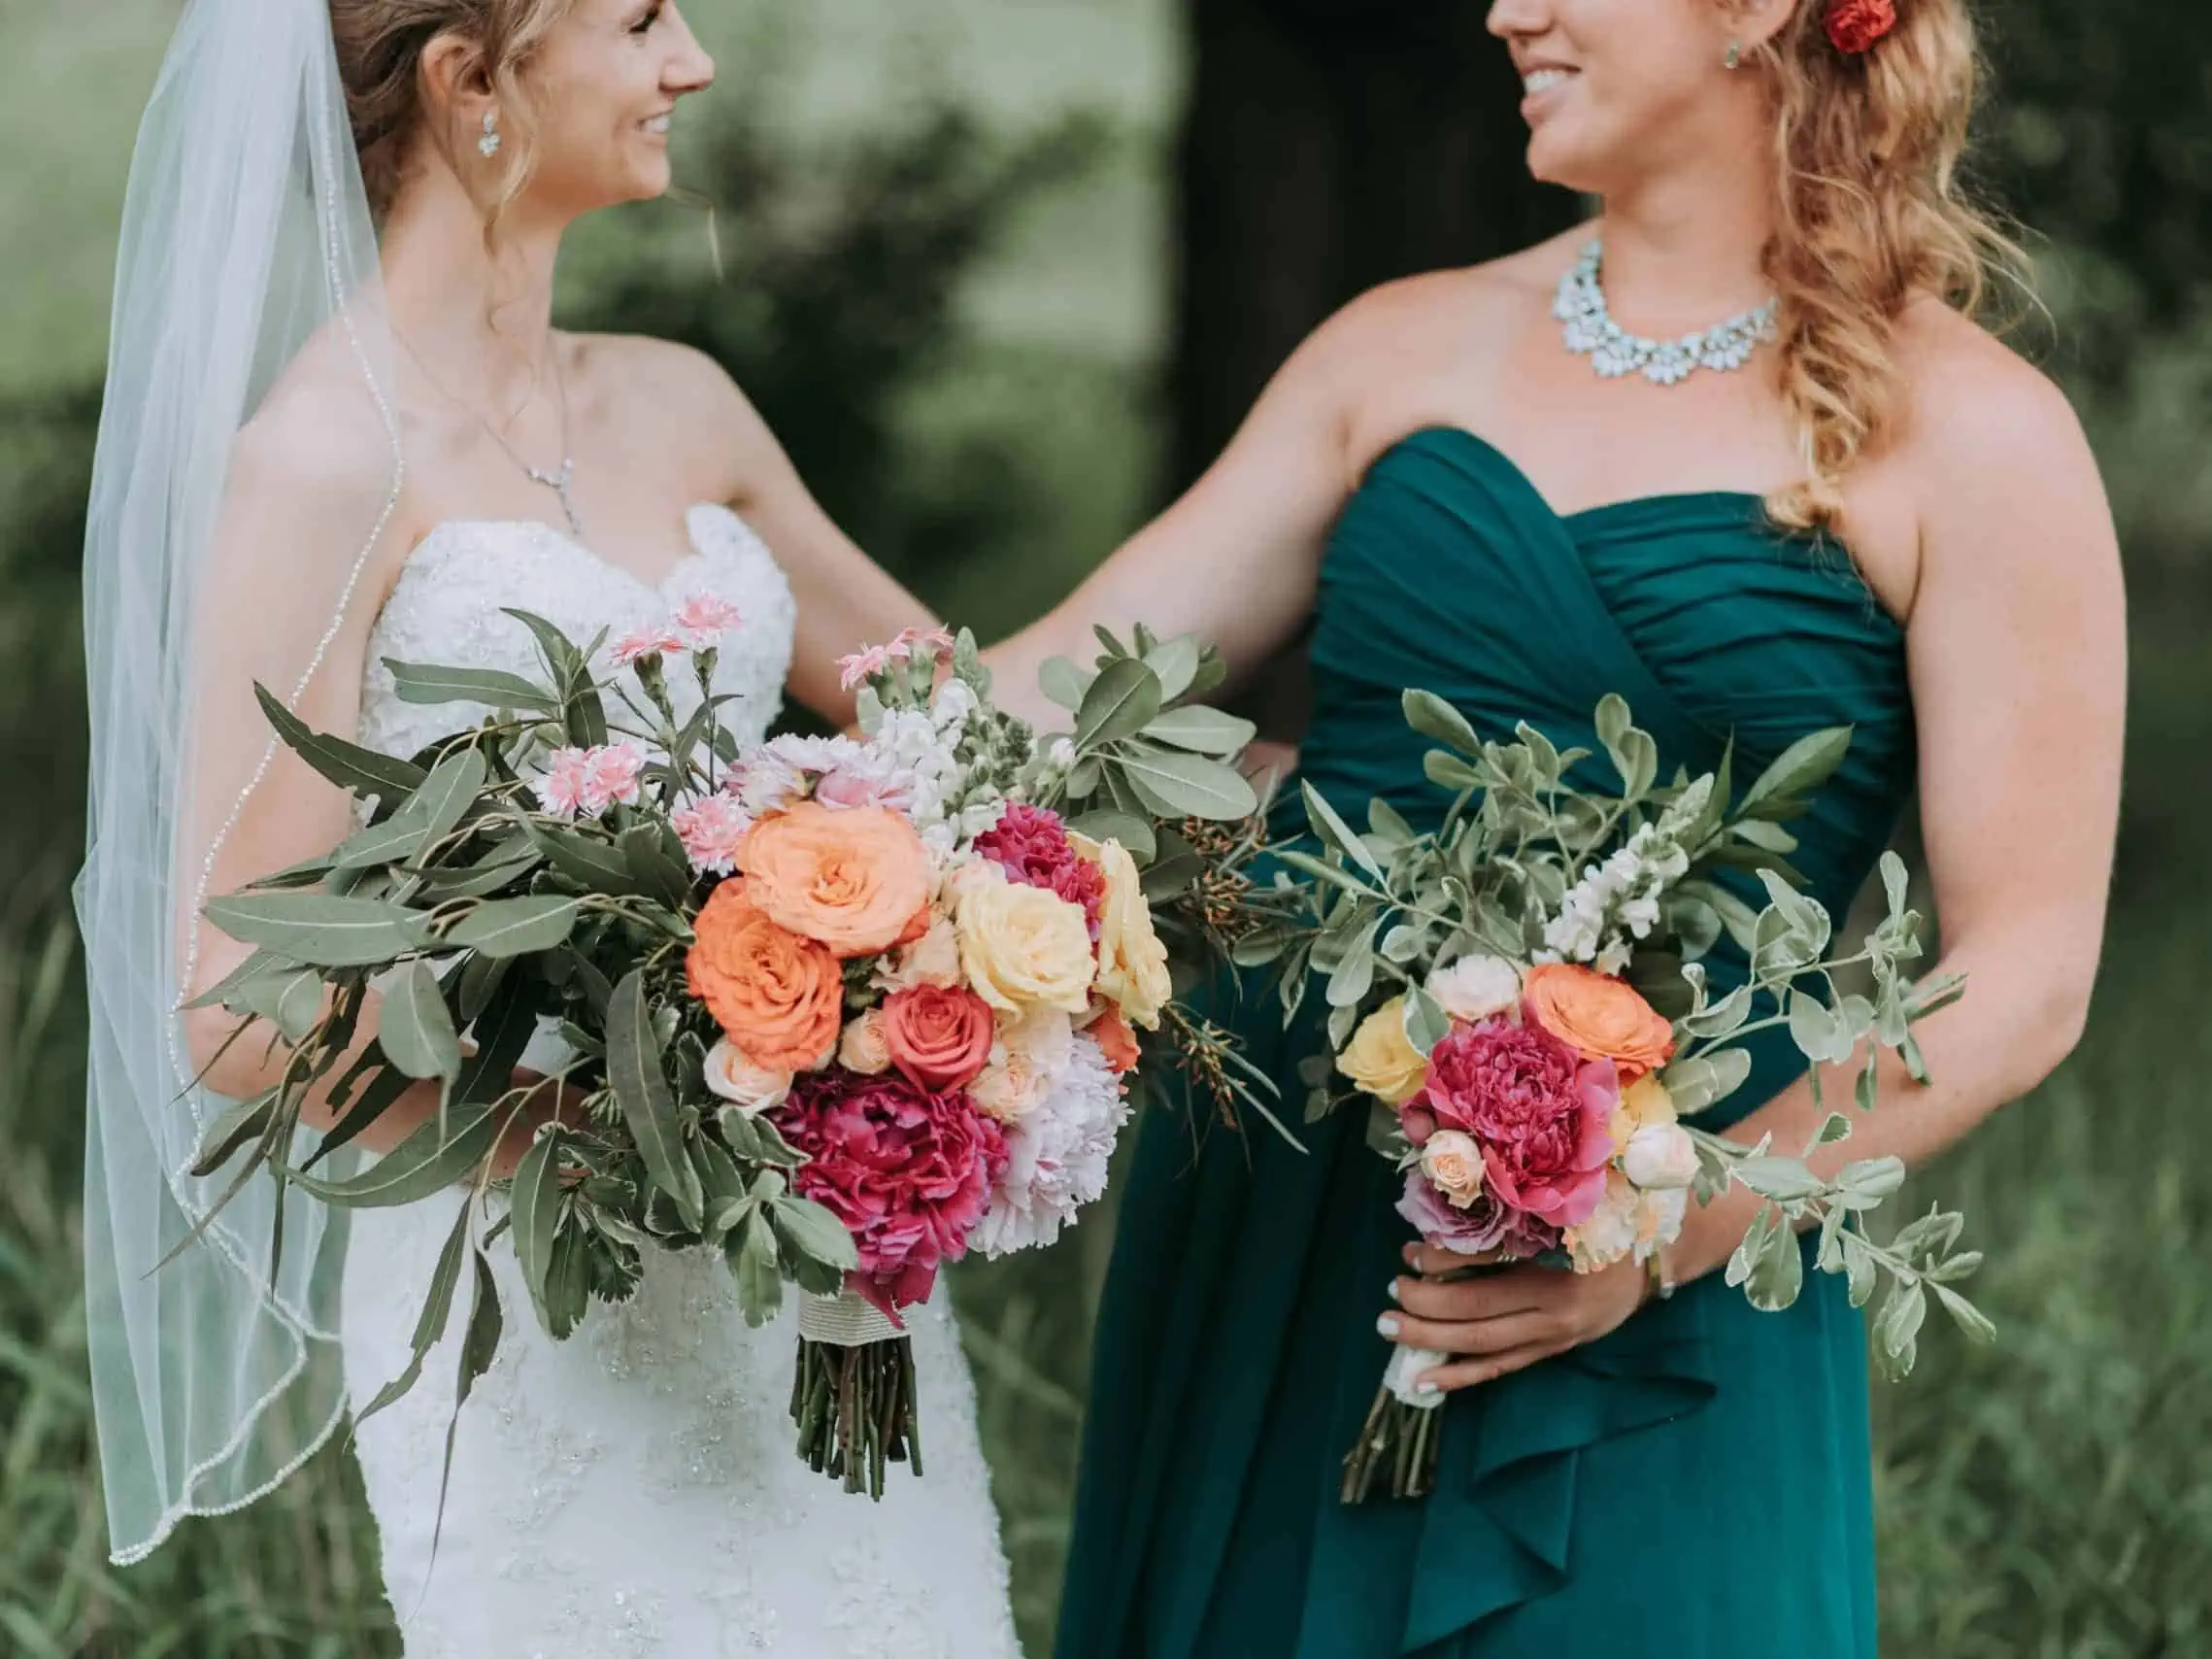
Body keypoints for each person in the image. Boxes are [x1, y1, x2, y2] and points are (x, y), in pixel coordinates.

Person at [986, 0, 2125, 1653]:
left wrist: (1654, 1238)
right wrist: (720, 727)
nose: (1506, 8)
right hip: (1280, 1229)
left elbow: (2024, 974)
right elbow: (1051, 700)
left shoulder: (1973, 432)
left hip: (1655, 1259)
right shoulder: (1396, 347)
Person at [77, 3, 1022, 1654]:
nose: (694, 62)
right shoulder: (322, 464)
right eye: (642, 17)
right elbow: (233, 1000)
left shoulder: (687, 402)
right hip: (541, 1297)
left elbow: (973, 741)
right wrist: (622, 1086)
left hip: (818, 1273)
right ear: (469, 81)